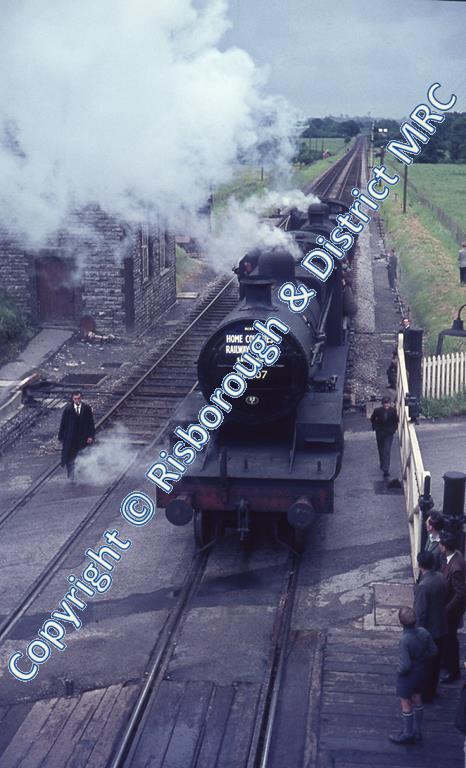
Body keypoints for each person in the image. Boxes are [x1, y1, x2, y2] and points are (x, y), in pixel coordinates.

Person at [389, 606, 437, 744]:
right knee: (418, 699)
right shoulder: (424, 632)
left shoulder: (404, 640)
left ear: (401, 622)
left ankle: (407, 734)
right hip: (421, 672)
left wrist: (398, 671)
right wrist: (421, 659)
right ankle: (417, 731)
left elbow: (405, 666)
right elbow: (433, 651)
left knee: (406, 703)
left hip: (408, 677)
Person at [414, 551, 448, 702]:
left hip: (428, 631)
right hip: (441, 627)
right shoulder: (441, 577)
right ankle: (432, 691)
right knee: (436, 663)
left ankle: (425, 694)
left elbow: (420, 613)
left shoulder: (423, 586)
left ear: (420, 565)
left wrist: (417, 633)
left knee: (425, 664)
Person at [439, 532, 466, 683]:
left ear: (445, 547)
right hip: (450, 609)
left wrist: (447, 609)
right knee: (448, 638)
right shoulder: (455, 556)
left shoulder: (455, 568)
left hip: (452, 612)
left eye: (440, 544)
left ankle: (453, 671)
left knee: (450, 640)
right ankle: (447, 663)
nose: (439, 546)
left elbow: (460, 593)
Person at [58, 390, 95, 481]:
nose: (77, 400)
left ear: (81, 398)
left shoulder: (86, 408)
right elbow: (63, 424)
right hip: (71, 438)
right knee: (70, 458)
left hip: (82, 438)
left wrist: (90, 436)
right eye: (75, 399)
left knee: (82, 455)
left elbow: (91, 423)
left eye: (79, 398)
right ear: (72, 399)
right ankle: (71, 476)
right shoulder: (68, 409)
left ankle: (81, 474)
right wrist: (61, 436)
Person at [370, 396, 398, 477]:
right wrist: (375, 428)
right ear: (382, 404)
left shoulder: (393, 411)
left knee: (387, 450)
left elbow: (396, 421)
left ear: (390, 404)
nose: (386, 406)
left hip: (389, 433)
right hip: (380, 432)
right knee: (381, 449)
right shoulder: (377, 410)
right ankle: (382, 463)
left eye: (388, 404)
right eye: (385, 404)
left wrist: (393, 429)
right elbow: (372, 419)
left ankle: (386, 468)